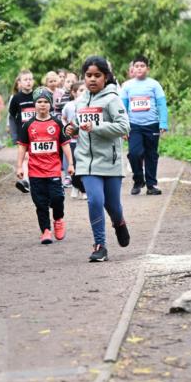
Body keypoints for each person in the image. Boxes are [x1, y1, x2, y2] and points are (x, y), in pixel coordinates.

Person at [65, 56, 131, 262]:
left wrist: (96, 127)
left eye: (97, 75)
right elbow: (79, 124)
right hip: (86, 161)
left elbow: (124, 127)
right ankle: (100, 245)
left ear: (106, 77)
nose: (92, 79)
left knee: (113, 206)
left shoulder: (112, 99)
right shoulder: (80, 101)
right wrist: (73, 128)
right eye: (88, 75)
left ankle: (119, 222)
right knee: (95, 200)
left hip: (110, 161)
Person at [16, 88, 74, 244]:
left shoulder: (57, 123)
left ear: (50, 104)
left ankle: (58, 219)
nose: (42, 105)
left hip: (53, 170)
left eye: (46, 102)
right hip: (35, 172)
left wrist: (71, 164)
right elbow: (22, 147)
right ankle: (46, 231)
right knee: (40, 203)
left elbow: (65, 144)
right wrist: (20, 166)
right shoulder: (28, 125)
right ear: (35, 104)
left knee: (57, 198)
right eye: (39, 102)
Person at [121, 55, 168, 196]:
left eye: (142, 66)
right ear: (133, 69)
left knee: (151, 155)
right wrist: (123, 127)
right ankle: (138, 180)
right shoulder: (127, 86)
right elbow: (123, 108)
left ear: (147, 69)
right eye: (137, 66)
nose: (139, 68)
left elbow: (161, 104)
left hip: (152, 125)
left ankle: (151, 185)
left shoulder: (154, 84)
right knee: (134, 153)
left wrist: (163, 123)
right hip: (133, 126)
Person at [8, 69, 36, 193]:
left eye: (30, 79)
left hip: (38, 133)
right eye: (25, 79)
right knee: (25, 157)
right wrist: (14, 135)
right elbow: (12, 117)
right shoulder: (16, 98)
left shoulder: (37, 96)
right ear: (20, 82)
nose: (28, 82)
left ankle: (35, 179)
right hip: (23, 133)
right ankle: (26, 180)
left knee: (34, 157)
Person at [60, 81, 86, 200]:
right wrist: (66, 128)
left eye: (86, 90)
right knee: (74, 166)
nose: (84, 92)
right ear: (74, 93)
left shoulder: (89, 105)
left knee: (84, 166)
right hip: (72, 142)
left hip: (85, 141)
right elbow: (63, 118)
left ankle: (84, 190)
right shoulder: (69, 106)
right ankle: (76, 185)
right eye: (81, 90)